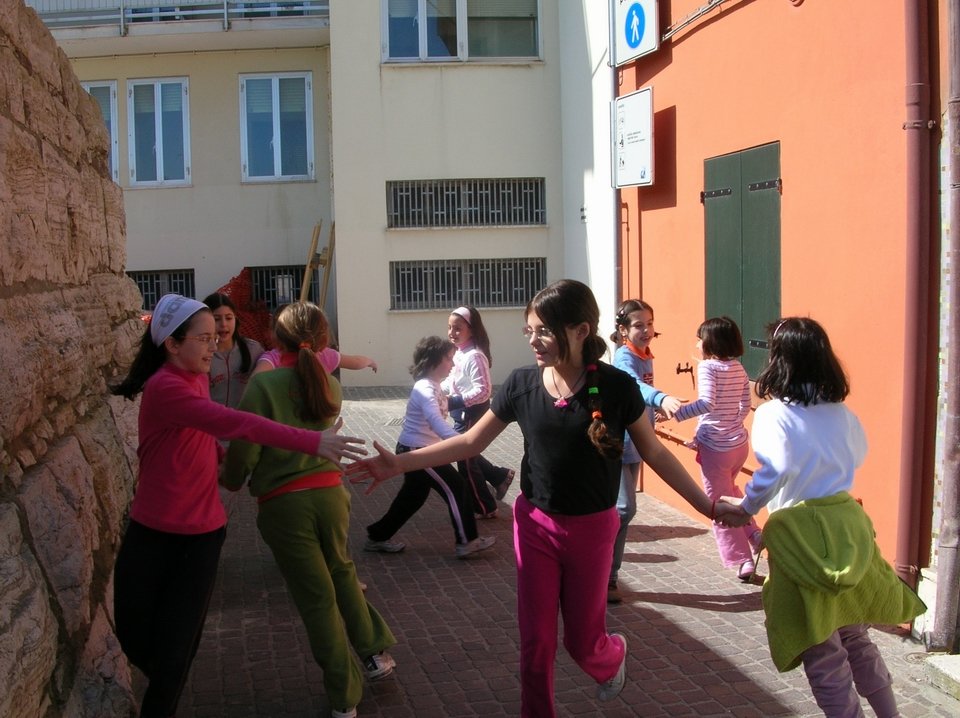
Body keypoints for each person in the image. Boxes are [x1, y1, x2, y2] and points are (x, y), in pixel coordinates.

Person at [348, 279, 739, 718]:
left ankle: (609, 657)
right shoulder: (521, 385)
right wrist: (400, 464)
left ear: (580, 330)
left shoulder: (616, 387)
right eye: (529, 330)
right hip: (535, 527)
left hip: (593, 530)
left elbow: (655, 451)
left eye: (544, 331)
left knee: (582, 643)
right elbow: (471, 443)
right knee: (536, 643)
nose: (533, 340)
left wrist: (709, 506)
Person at [110, 294, 365, 718]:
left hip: (202, 536)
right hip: (151, 531)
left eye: (216, 335)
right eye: (204, 338)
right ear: (172, 345)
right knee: (133, 634)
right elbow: (234, 422)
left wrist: (218, 456)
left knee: (177, 654)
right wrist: (312, 440)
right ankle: (165, 673)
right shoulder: (166, 386)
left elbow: (201, 430)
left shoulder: (194, 376)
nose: (215, 345)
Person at [720, 317, 925, 718]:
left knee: (823, 651)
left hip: (801, 538)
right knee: (856, 635)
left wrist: (745, 508)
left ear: (781, 359)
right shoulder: (842, 414)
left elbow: (775, 469)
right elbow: (858, 455)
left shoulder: (774, 414)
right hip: (846, 527)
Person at [222, 302, 395, 718]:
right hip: (331, 495)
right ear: (323, 339)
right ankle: (374, 655)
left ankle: (344, 696)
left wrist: (231, 479)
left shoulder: (262, 387)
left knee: (316, 598)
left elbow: (244, 446)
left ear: (274, 337)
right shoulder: (327, 384)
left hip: (285, 505)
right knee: (342, 572)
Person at [364, 335, 497, 559]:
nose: (453, 364)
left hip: (419, 451)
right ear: (433, 360)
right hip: (416, 452)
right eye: (448, 358)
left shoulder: (435, 385)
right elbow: (435, 419)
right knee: (457, 487)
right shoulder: (424, 389)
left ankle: (377, 536)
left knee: (412, 498)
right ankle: (467, 541)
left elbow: (450, 403)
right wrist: (460, 442)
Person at [672, 316, 761, 582]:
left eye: (700, 338)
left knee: (716, 506)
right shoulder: (739, 369)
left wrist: (676, 414)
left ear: (710, 342)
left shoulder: (708, 368)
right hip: (738, 445)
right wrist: (731, 426)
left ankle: (742, 559)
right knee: (731, 493)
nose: (697, 344)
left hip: (717, 449)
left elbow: (707, 403)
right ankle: (753, 533)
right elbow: (746, 406)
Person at [606, 299, 683, 603]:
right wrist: (660, 399)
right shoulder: (625, 357)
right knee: (623, 509)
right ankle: (605, 576)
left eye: (650, 323)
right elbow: (633, 386)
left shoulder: (645, 354)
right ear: (624, 330)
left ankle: (606, 575)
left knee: (621, 512)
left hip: (637, 443)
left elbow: (637, 399)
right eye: (639, 325)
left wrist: (654, 412)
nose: (647, 330)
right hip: (620, 444)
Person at [442, 305, 515, 518]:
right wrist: (437, 390)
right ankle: (499, 476)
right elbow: (452, 380)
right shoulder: (460, 353)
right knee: (468, 454)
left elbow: (483, 391)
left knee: (464, 459)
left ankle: (484, 506)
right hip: (461, 412)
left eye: (457, 328)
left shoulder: (474, 356)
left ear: (472, 330)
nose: (452, 333)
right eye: (449, 327)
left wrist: (454, 401)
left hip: (472, 412)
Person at [202, 292, 264, 409]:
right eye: (217, 319)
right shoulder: (200, 354)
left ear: (236, 318)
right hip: (210, 423)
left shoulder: (254, 350)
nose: (224, 324)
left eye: (229, 318)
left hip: (245, 422)